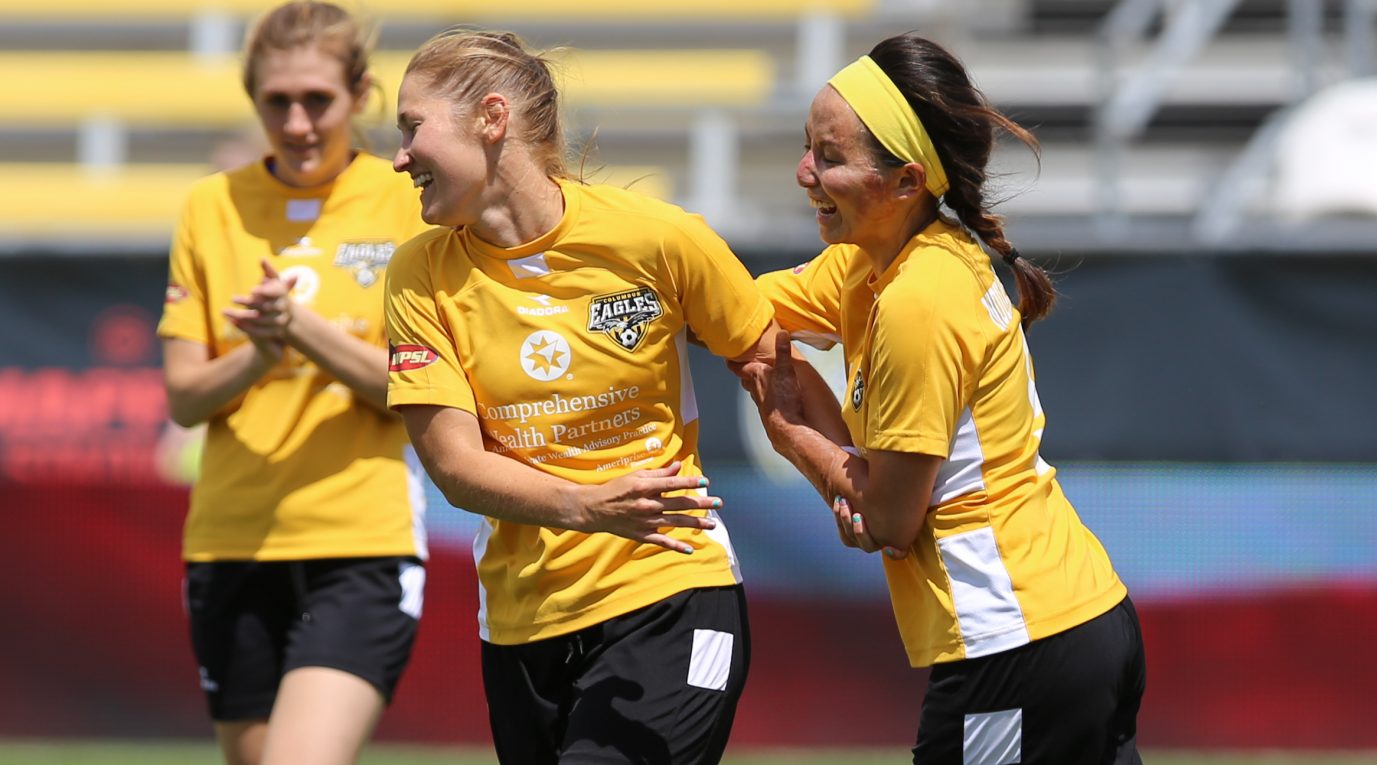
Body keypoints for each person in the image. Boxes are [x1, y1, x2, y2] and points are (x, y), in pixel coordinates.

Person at [381, 29, 818, 765]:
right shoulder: (417, 275)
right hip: (522, 627)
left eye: (411, 127)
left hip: (673, 587)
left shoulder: (656, 237)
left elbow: (767, 360)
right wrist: (586, 505)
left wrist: (845, 477)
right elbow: (454, 467)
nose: (398, 156)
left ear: (491, 119)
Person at [735, 34, 1147, 764]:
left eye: (830, 157)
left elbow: (890, 517)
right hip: (1069, 623)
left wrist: (788, 426)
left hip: (1017, 642)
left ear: (905, 182)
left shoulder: (918, 298)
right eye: (808, 147)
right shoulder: (885, 257)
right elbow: (740, 309)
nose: (805, 172)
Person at [156, 3, 431, 764]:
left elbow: (418, 385)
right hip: (229, 541)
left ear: (360, 95)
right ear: (254, 99)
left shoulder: (406, 201)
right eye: (277, 101)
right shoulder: (211, 204)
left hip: (359, 542)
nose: (299, 120)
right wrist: (259, 351)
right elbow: (184, 398)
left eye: (318, 99)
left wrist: (299, 327)